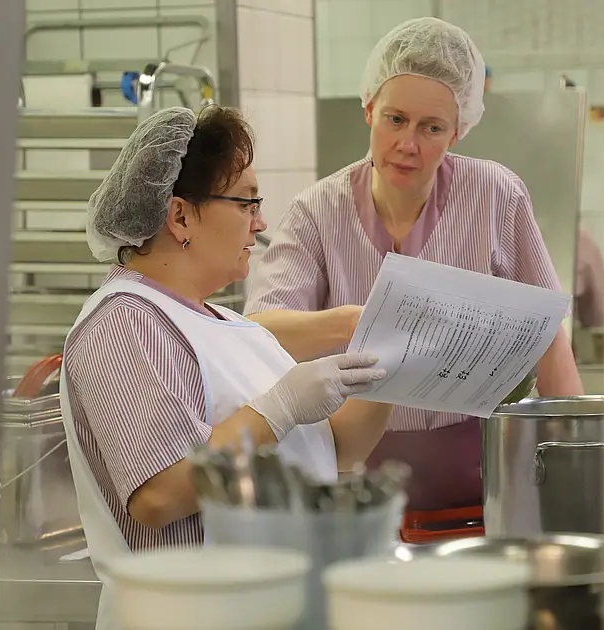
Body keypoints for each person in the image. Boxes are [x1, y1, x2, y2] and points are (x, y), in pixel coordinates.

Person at [244, 17, 583, 532]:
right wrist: (354, 324)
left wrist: (573, 463)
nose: (409, 143)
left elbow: (548, 337)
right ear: (368, 110)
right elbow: (260, 330)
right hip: (353, 478)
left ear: (459, 129)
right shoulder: (318, 211)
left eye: (432, 127)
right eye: (395, 119)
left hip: (484, 477)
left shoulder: (496, 195)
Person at [59, 106, 392, 630]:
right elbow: (159, 494)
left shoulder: (225, 325)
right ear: (181, 216)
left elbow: (339, 450)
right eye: (246, 203)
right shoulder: (122, 325)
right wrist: (278, 409)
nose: (260, 223)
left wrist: (395, 359)